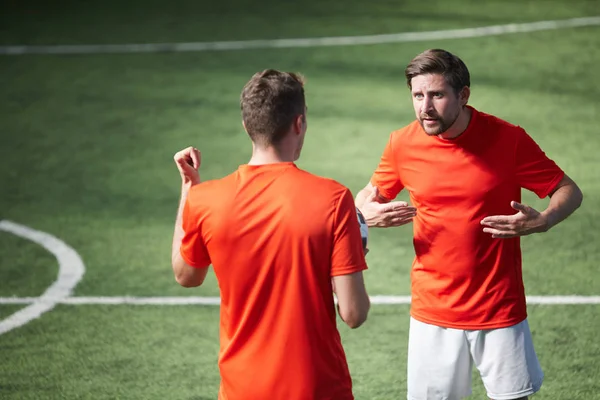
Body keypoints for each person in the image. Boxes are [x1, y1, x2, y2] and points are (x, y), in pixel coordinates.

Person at [355, 49, 583, 400]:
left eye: (437, 95)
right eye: (418, 95)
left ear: (463, 95)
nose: (425, 108)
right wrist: (366, 215)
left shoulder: (508, 139)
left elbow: (568, 190)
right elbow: (364, 199)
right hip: (433, 308)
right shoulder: (402, 144)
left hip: (499, 306)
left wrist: (545, 220)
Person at [171, 69, 370, 400]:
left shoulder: (204, 200)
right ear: (299, 123)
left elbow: (186, 275)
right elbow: (353, 313)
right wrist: (354, 249)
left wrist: (189, 187)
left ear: (247, 126)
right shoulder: (333, 198)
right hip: (317, 388)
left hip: (242, 389)